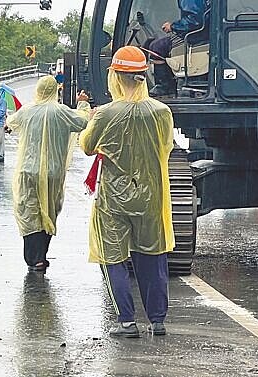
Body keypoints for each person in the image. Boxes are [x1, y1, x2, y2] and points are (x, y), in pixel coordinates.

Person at [80, 46, 175, 338]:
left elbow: (86, 146)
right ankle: (157, 320)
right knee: (152, 255)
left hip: (113, 197)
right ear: (143, 76)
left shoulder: (105, 114)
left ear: (116, 77)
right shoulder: (161, 112)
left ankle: (126, 321)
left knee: (113, 257)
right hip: (151, 195)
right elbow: (166, 147)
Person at [6, 76, 92, 273]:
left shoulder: (27, 111)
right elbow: (83, 121)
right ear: (55, 91)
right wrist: (83, 103)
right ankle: (40, 256)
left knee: (29, 211)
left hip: (27, 171)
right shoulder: (61, 112)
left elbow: (11, 121)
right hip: (53, 172)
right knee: (49, 209)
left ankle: (33, 258)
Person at [146, 0, 210, 96]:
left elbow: (195, 20)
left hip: (196, 37)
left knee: (157, 47)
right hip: (205, 34)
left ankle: (164, 87)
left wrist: (173, 26)